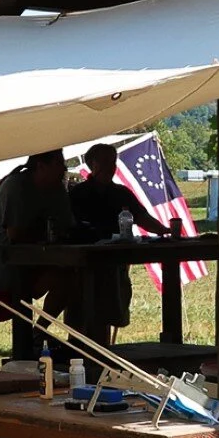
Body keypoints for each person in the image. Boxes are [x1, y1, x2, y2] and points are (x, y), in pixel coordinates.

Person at [68, 143, 174, 342]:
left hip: (113, 263)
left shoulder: (121, 193)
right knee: (82, 312)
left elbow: (142, 217)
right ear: (92, 164)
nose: (111, 166)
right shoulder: (78, 193)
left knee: (109, 310)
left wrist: (165, 230)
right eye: (106, 161)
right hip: (83, 264)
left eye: (113, 161)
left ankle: (105, 352)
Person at [0, 149, 81, 359]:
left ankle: (38, 334)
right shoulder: (16, 186)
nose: (63, 170)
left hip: (35, 265)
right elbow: (15, 234)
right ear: (41, 165)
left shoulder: (57, 189)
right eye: (58, 164)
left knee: (69, 278)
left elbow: (67, 225)